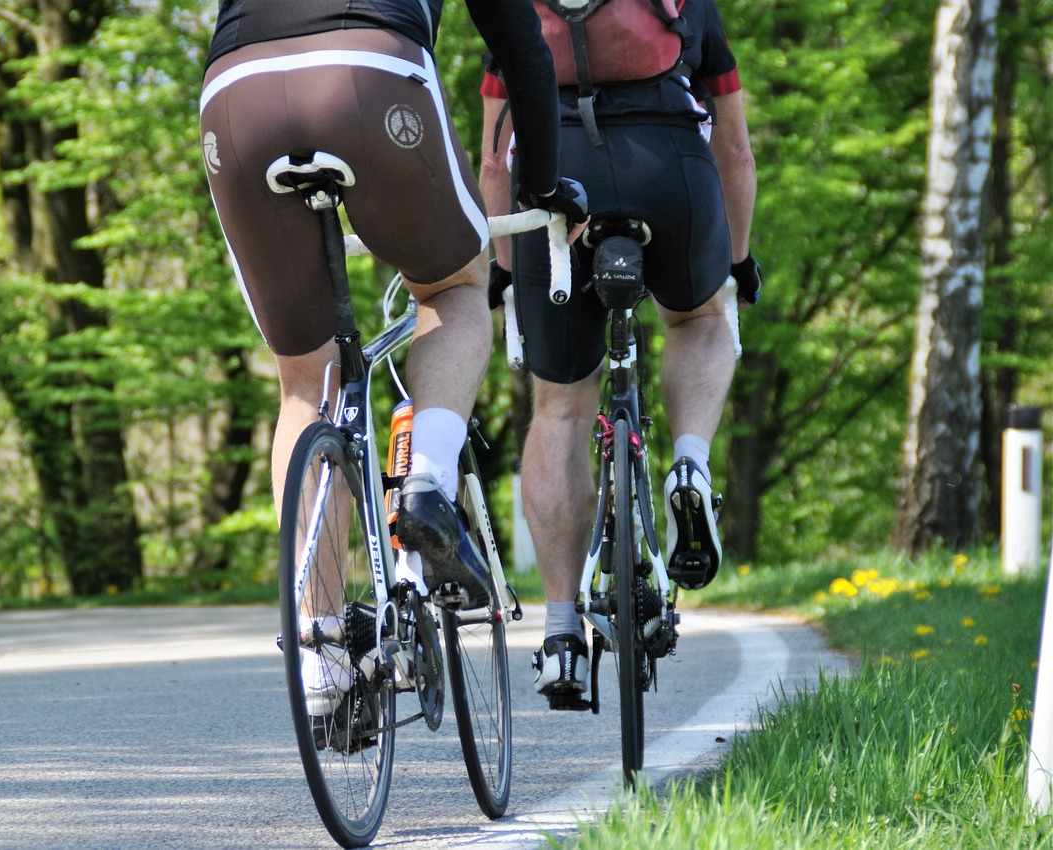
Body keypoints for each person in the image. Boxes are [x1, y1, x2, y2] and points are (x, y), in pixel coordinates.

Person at [201, 0, 586, 714]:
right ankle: (427, 483)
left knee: (303, 383)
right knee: (456, 286)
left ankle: (319, 660)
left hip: (236, 93)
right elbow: (521, 42)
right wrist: (544, 183)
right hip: (369, 71)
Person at [477, 0, 760, 707]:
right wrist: (740, 260)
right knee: (700, 318)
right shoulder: (690, 6)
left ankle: (561, 631)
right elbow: (735, 149)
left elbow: (490, 160)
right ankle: (689, 464)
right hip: (669, 169)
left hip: (553, 180)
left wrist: (507, 270)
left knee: (561, 406)